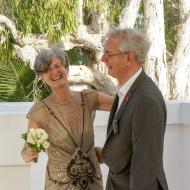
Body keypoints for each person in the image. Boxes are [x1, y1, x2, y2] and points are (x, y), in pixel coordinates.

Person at [21, 48, 113, 190]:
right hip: (59, 185)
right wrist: (28, 153)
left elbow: (123, 106)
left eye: (57, 66)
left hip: (93, 182)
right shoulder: (40, 111)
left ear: (67, 69)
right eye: (47, 70)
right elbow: (28, 150)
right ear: (42, 77)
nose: (54, 72)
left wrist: (111, 150)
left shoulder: (88, 98)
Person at [96, 28, 168, 190]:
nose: (103, 58)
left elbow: (145, 167)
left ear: (129, 57)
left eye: (108, 53)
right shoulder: (128, 90)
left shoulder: (146, 100)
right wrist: (106, 155)